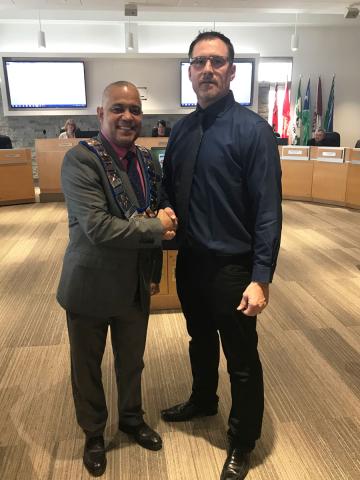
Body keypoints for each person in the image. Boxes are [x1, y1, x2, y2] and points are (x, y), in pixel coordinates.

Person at [160, 31, 282, 480]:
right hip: (190, 263)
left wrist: (261, 276)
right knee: (199, 340)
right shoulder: (183, 130)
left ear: (231, 71)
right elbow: (170, 192)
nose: (207, 69)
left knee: (243, 359)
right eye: (198, 62)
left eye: (216, 62)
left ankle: (241, 440)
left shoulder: (253, 132)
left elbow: (269, 209)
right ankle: (203, 399)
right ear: (190, 71)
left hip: (234, 268)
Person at [57, 81, 177, 477]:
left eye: (135, 109)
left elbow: (156, 209)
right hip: (90, 286)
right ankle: (93, 433)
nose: (128, 116)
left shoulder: (146, 160)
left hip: (135, 286)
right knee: (87, 367)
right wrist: (158, 227)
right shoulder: (81, 160)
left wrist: (157, 268)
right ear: (100, 115)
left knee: (132, 362)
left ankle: (131, 418)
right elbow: (98, 227)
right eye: (118, 109)